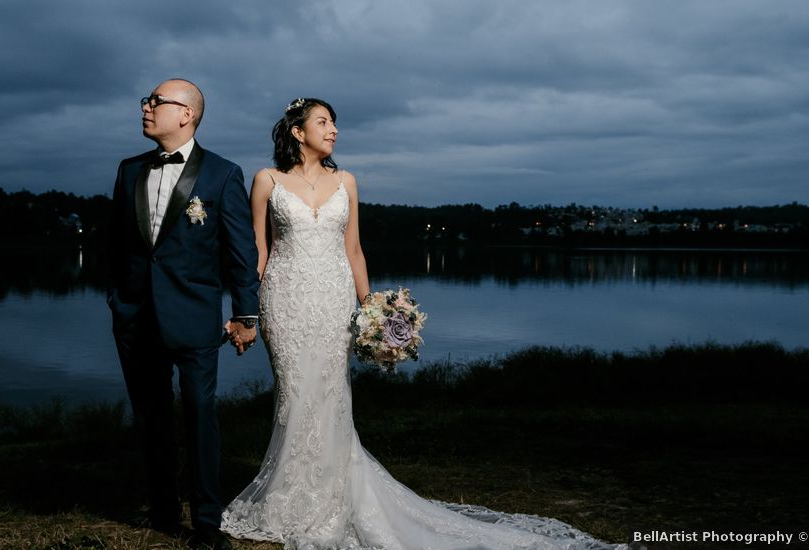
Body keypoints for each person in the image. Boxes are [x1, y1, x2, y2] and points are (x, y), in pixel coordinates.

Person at [220, 98, 626, 549]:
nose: (333, 129)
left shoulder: (346, 181)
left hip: (335, 303)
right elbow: (258, 251)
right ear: (298, 131)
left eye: (335, 122)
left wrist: (372, 309)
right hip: (287, 301)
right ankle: (290, 499)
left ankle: (328, 499)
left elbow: (354, 251)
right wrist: (245, 312)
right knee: (295, 394)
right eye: (323, 121)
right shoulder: (267, 180)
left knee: (331, 396)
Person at [108, 78, 258, 550]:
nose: (146, 108)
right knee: (150, 417)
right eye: (146, 101)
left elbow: (240, 251)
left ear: (186, 114)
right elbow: (117, 244)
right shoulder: (128, 170)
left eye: (157, 102)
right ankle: (164, 512)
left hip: (195, 317)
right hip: (135, 317)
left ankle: (207, 524)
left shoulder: (222, 173)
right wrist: (118, 299)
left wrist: (246, 315)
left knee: (199, 414)